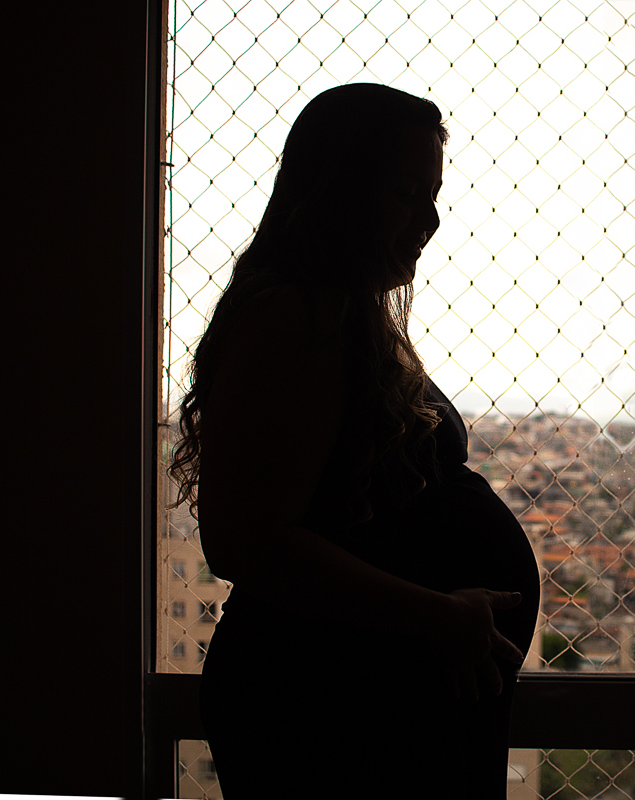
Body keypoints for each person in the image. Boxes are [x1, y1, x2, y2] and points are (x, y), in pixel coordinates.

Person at [167, 83, 542, 797]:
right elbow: (245, 541)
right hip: (330, 707)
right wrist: (440, 616)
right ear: (338, 191)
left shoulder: (340, 315)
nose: (429, 221)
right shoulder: (298, 318)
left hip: (365, 697)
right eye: (406, 193)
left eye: (433, 196)